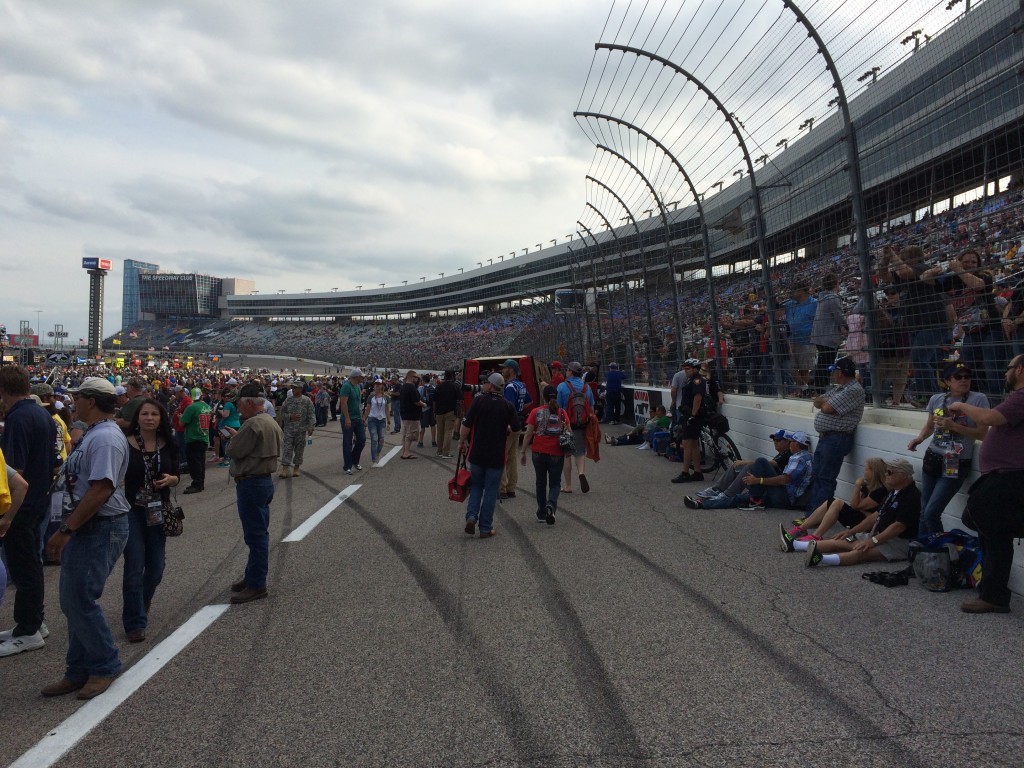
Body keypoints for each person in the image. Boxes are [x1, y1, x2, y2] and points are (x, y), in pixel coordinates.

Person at [41, 377, 131, 700]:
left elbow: (102, 489)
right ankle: (77, 670)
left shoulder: (105, 437)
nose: (73, 402)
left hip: (99, 526)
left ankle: (105, 665)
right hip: (89, 525)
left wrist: (66, 530)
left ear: (91, 402)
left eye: (78, 397)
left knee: (78, 599)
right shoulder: (96, 433)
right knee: (72, 600)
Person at [947, 354, 1024, 613]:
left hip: (1009, 477)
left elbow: (989, 418)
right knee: (989, 529)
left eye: (1009, 368)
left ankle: (994, 595)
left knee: (992, 530)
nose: (1005, 373)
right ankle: (992, 593)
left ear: (1020, 370)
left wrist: (961, 406)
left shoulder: (1021, 397)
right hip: (1001, 475)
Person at [0, 365, 57, 658]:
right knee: (30, 564)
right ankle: (31, 622)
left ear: (3, 391)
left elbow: (15, 470)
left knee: (23, 566)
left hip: (22, 503)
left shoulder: (18, 418)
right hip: (38, 498)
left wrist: (7, 515)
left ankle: (29, 628)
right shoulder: (40, 413)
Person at [121, 398, 180, 643]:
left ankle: (142, 599)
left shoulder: (168, 444)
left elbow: (177, 473)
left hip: (157, 508)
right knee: (134, 565)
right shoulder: (125, 444)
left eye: (154, 414)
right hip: (132, 510)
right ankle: (135, 622)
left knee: (156, 568)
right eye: (144, 414)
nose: (149, 418)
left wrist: (171, 480)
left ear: (160, 419)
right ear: (137, 418)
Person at [907, 361, 989, 535]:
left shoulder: (978, 399)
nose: (964, 380)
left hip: (955, 461)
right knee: (924, 511)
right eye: (958, 377)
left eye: (967, 376)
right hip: (933, 456)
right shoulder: (937, 399)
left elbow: (983, 434)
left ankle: (941, 552)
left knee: (931, 512)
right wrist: (920, 438)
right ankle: (922, 551)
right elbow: (931, 426)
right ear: (947, 381)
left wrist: (955, 427)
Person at [804, 457, 921, 568]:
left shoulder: (911, 496)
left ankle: (819, 559)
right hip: (880, 534)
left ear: (904, 475)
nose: (886, 475)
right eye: (886, 471)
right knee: (839, 541)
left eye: (890, 472)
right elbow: (875, 516)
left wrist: (872, 541)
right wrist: (851, 531)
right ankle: (795, 544)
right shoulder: (893, 492)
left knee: (861, 552)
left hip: (899, 541)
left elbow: (898, 526)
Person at [227, 383, 284, 604]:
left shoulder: (252, 424)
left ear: (250, 403)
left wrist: (234, 437)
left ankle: (257, 584)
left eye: (241, 405)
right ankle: (252, 575)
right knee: (258, 532)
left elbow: (234, 450)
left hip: (251, 481)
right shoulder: (270, 420)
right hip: (263, 480)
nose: (239, 410)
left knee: (256, 535)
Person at [685, 431, 812, 511]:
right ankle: (702, 503)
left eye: (792, 441)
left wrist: (758, 480)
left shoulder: (799, 458)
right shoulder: (797, 456)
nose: (790, 443)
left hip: (784, 497)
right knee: (739, 499)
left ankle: (734, 496)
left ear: (798, 444)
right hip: (780, 494)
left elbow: (784, 480)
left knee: (760, 462)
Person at [779, 457, 888, 551]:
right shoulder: (867, 487)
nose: (864, 471)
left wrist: (857, 485)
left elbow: (855, 506)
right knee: (830, 502)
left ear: (874, 472)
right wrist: (860, 493)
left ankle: (816, 536)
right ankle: (802, 529)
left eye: (866, 469)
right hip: (861, 517)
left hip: (867, 526)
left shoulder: (880, 491)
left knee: (838, 503)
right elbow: (856, 505)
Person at [459, 372, 518, 538]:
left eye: (485, 383)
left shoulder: (478, 400)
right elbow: (516, 427)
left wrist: (461, 441)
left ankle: (471, 516)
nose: (483, 385)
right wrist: (505, 428)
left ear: (491, 385)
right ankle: (485, 528)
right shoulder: (507, 405)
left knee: (476, 486)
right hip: (496, 455)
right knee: (491, 490)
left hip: (477, 453)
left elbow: (466, 425)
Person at [805, 355, 865, 514]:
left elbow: (826, 408)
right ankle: (812, 513)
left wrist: (825, 403)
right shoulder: (840, 388)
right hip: (827, 438)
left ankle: (816, 515)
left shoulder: (854, 390)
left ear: (841, 372)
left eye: (835, 371)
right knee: (817, 475)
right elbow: (817, 401)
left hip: (837, 438)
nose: (832, 374)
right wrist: (824, 402)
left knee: (825, 478)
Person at [520, 386, 568, 525]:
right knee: (555, 483)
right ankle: (551, 506)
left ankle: (541, 512)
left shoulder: (536, 412)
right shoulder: (562, 413)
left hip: (539, 452)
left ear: (544, 397)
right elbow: (568, 431)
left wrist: (523, 451)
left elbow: (528, 434)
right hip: (556, 453)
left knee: (540, 482)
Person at [556, 361, 596, 494]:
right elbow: (591, 407)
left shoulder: (562, 386)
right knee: (579, 452)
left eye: (567, 369)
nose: (565, 371)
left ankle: (568, 486)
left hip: (567, 424)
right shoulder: (586, 387)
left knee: (567, 455)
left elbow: (558, 408)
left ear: (571, 372)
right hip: (581, 424)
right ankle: (581, 473)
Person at [809, 273, 848, 395]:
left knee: (822, 363)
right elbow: (839, 317)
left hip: (820, 336)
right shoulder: (833, 298)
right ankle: (822, 389)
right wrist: (848, 326)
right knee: (826, 363)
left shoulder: (822, 298)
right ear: (836, 284)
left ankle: (821, 388)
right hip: (828, 337)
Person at [670, 359, 708, 483]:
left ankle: (685, 473)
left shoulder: (697, 380)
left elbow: (697, 398)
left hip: (693, 416)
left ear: (695, 369)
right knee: (694, 445)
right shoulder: (690, 379)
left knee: (687, 444)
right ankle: (697, 472)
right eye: (685, 368)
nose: (685, 370)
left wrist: (692, 415)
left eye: (688, 368)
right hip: (690, 414)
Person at [499, 359, 531, 501]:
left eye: (504, 368)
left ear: (511, 370)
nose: (502, 370)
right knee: (512, 457)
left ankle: (502, 489)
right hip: (518, 423)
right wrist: (520, 410)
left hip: (508, 424)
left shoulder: (510, 386)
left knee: (501, 456)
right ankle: (511, 487)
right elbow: (529, 401)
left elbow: (508, 406)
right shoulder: (522, 384)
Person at [278, 379, 315, 478]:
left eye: (295, 388)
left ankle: (296, 468)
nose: (292, 389)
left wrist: (311, 427)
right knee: (287, 449)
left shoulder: (307, 401)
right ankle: (284, 469)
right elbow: (282, 413)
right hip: (289, 430)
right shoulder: (288, 400)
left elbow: (311, 414)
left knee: (299, 450)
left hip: (301, 430)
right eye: (292, 387)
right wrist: (290, 417)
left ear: (300, 388)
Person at [179, 388, 212, 494]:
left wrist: (180, 417)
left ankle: (197, 484)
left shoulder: (191, 407)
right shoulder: (207, 406)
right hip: (204, 437)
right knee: (201, 462)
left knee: (194, 463)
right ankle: (200, 482)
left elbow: (182, 423)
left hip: (193, 438)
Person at [339, 369, 366, 475]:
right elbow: (344, 403)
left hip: (358, 418)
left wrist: (362, 416)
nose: (363, 378)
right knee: (347, 442)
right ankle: (347, 466)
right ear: (356, 377)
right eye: (361, 376)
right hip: (348, 418)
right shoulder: (346, 386)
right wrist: (347, 418)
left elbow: (359, 403)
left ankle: (354, 460)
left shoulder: (359, 387)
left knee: (362, 440)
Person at [604, 405, 670, 447]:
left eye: (657, 411)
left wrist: (647, 431)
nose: (656, 413)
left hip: (649, 436)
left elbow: (660, 430)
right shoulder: (657, 418)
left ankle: (617, 441)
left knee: (633, 438)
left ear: (661, 412)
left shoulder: (663, 419)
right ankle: (615, 440)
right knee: (632, 436)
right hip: (646, 434)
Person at [432, 370, 462, 459]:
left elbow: (434, 401)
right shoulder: (455, 386)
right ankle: (446, 452)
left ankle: (439, 451)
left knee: (440, 432)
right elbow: (460, 400)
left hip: (439, 412)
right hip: (450, 412)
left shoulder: (439, 386)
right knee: (448, 432)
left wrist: (434, 411)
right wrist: (460, 411)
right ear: (453, 376)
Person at [363, 377, 391, 464]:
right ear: (374, 386)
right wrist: (364, 418)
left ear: (382, 386)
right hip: (372, 420)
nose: (377, 386)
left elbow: (387, 409)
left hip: (382, 420)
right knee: (374, 439)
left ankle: (378, 452)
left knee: (381, 439)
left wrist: (389, 421)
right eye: (376, 384)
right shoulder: (371, 396)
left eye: (379, 384)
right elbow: (368, 408)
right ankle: (374, 458)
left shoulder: (386, 397)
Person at [399, 370, 426, 459]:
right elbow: (416, 401)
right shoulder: (411, 387)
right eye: (415, 377)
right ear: (410, 377)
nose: (416, 379)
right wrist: (423, 404)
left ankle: (404, 452)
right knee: (411, 435)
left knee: (406, 434)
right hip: (412, 414)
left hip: (405, 413)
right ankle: (406, 453)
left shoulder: (403, 387)